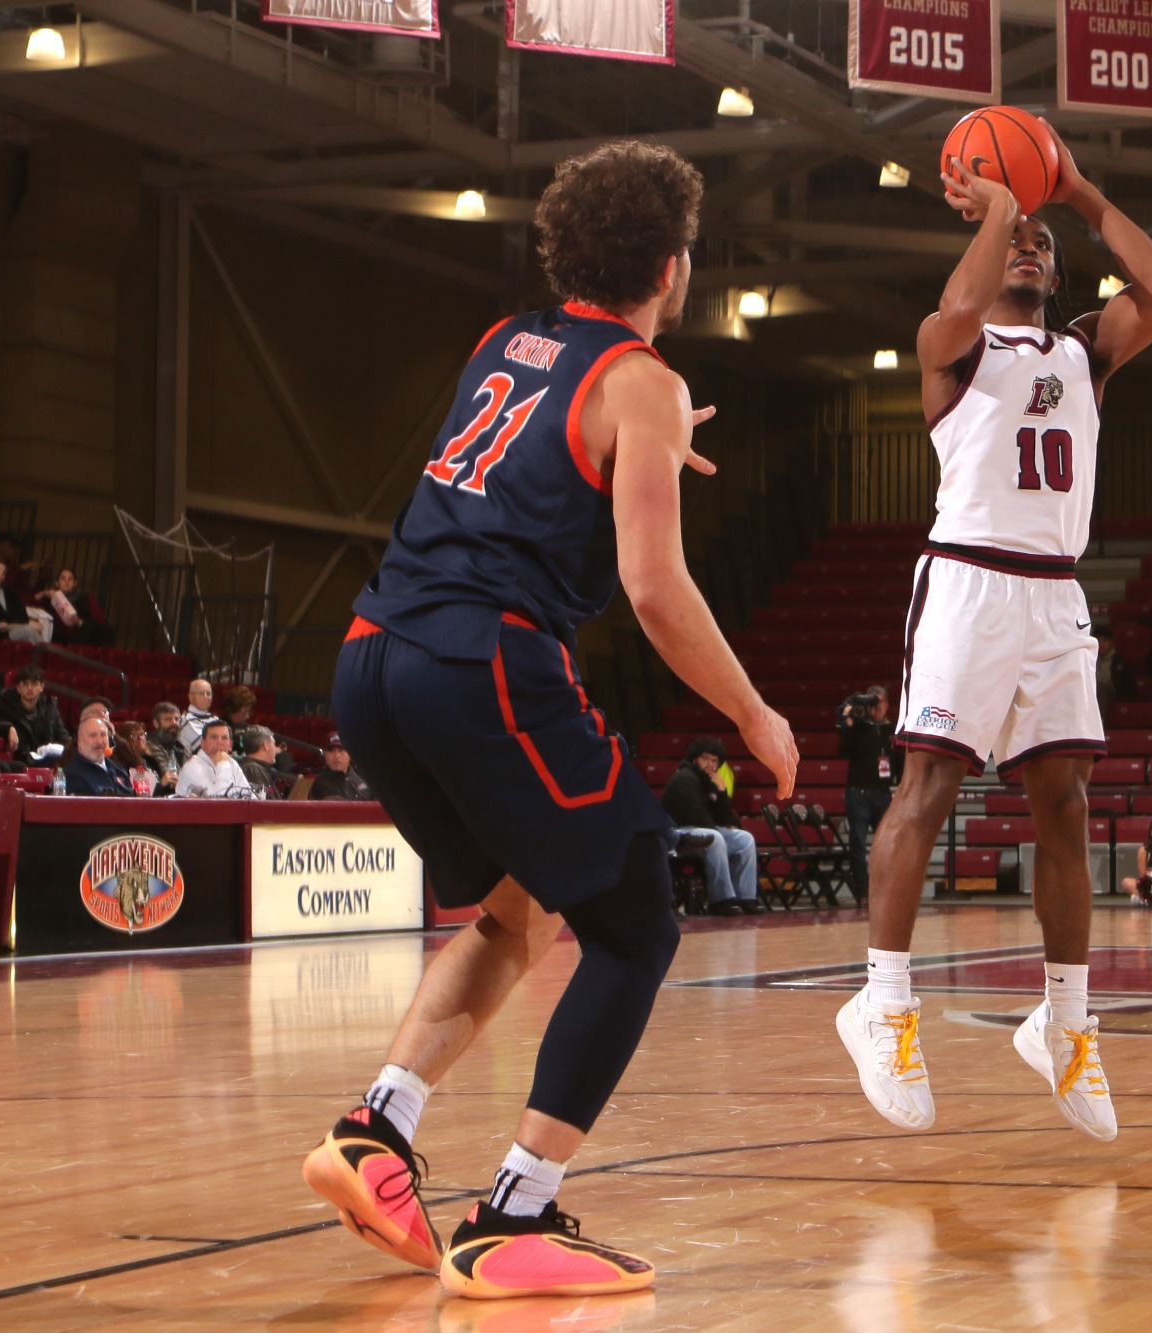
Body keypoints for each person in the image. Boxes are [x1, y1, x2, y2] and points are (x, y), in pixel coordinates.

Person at [301, 140, 798, 1303]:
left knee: (514, 912)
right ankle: (514, 1212)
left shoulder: (505, 342)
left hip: (372, 658)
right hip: (485, 663)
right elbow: (656, 593)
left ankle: (377, 1129)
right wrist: (755, 713)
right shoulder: (641, 380)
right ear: (674, 265)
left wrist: (652, 441)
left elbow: (533, 460)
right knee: (635, 925)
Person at [839, 120, 1152, 1148]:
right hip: (969, 584)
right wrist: (997, 212)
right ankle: (882, 1003)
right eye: (1012, 239)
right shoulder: (953, 348)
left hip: (1052, 594)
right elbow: (952, 305)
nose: (1028, 245)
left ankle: (1064, 1020)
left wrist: (1071, 189)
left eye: (1041, 244)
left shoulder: (1082, 350)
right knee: (927, 788)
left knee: (1064, 806)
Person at [662, 738, 762, 915]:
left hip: (702, 831)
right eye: (706, 759)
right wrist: (718, 831)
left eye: (714, 761)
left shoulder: (710, 781)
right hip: (678, 834)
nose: (710, 764)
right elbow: (696, 817)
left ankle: (745, 897)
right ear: (695, 759)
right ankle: (720, 900)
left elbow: (726, 818)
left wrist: (722, 793)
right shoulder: (684, 778)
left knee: (745, 839)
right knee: (715, 838)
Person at [836, 686, 898, 906]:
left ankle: (888, 889)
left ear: (887, 704)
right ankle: (863, 890)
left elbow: (898, 762)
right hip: (858, 793)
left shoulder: (892, 729)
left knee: (888, 844)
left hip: (882, 793)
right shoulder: (859, 727)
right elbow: (843, 751)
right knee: (858, 843)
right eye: (872, 703)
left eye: (880, 702)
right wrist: (849, 724)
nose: (877, 707)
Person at [0, 663, 72, 763]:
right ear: (18, 688)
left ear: (42, 687)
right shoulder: (5, 705)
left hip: (45, 760)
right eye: (25, 684)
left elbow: (62, 735)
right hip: (18, 760)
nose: (30, 688)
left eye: (34, 683)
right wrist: (7, 727)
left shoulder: (50, 707)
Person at [0, 560, 51, 643]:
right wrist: (26, 623)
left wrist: (12, 624)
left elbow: (21, 612)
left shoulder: (10, 593)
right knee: (29, 629)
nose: (1, 574)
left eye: (4, 572)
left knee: (33, 629)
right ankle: (45, 653)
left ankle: (44, 652)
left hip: (12, 628)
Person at [174, 718, 252, 798]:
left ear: (230, 745)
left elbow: (249, 796)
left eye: (224, 738)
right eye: (214, 737)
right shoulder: (193, 767)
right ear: (202, 743)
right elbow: (218, 801)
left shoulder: (232, 763)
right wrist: (223, 764)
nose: (219, 742)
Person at [38, 567, 113, 647]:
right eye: (63, 578)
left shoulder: (84, 598)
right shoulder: (49, 599)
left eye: (70, 579)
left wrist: (79, 622)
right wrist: (45, 593)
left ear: (75, 583)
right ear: (57, 583)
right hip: (59, 636)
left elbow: (96, 621)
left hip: (81, 632)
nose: (67, 581)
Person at [62, 717, 135, 797]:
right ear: (79, 742)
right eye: (93, 736)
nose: (100, 741)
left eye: (103, 735)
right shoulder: (71, 775)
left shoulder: (119, 770)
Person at [309, 733, 372, 801]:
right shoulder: (320, 783)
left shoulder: (364, 776)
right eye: (331, 750)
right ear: (325, 755)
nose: (336, 756)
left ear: (350, 753)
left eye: (341, 750)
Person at [114, 721, 172, 795]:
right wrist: (161, 784)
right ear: (124, 740)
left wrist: (171, 784)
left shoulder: (150, 760)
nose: (140, 738)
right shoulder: (125, 765)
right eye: (134, 735)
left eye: (142, 734)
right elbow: (141, 794)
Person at [235, 724, 288, 798]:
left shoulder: (252, 767)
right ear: (265, 745)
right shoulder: (254, 769)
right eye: (274, 743)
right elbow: (266, 805)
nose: (276, 749)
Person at [178, 679, 215, 754]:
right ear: (190, 697)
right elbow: (207, 748)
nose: (206, 697)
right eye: (201, 694)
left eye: (209, 694)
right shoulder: (185, 720)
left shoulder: (215, 718)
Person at [148, 702, 186, 770]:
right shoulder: (150, 746)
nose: (174, 723)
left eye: (176, 719)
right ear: (156, 723)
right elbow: (169, 774)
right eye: (168, 719)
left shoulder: (180, 746)